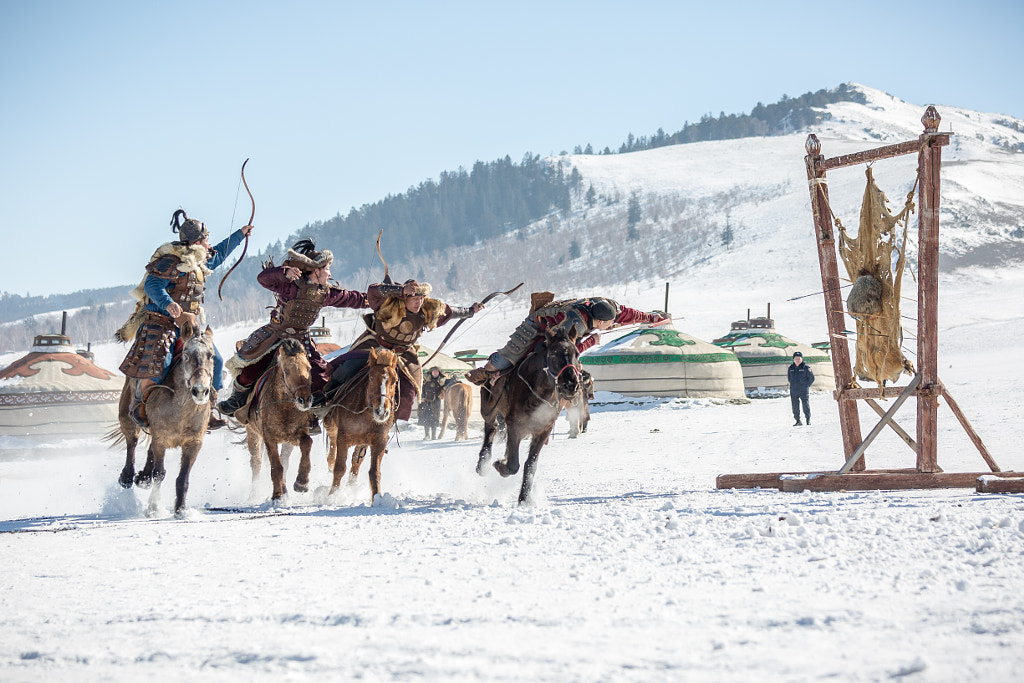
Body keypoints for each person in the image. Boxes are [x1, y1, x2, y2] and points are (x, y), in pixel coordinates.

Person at [116, 209, 252, 428]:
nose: (210, 244)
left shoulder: (200, 260)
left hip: (189, 326)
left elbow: (219, 255)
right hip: (161, 323)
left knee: (214, 360)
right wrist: (169, 303)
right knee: (162, 361)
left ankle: (209, 409)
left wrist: (240, 234)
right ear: (198, 242)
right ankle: (139, 404)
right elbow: (152, 285)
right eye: (207, 240)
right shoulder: (172, 261)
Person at [217, 239, 369, 431]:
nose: (330, 274)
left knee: (321, 378)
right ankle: (236, 402)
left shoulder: (326, 293)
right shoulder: (290, 285)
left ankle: (310, 416)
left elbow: (353, 299)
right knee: (251, 371)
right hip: (275, 336)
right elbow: (263, 279)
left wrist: (378, 298)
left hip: (302, 341)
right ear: (316, 271)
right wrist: (284, 272)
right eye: (328, 269)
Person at [321, 279, 483, 424]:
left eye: (421, 298)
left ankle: (392, 422)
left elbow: (451, 312)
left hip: (402, 354)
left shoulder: (427, 311)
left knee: (410, 388)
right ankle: (325, 399)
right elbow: (373, 291)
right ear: (404, 297)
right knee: (347, 369)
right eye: (414, 298)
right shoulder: (388, 304)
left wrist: (470, 310)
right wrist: (400, 290)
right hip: (375, 346)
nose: (418, 302)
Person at [465, 295, 666, 385]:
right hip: (537, 325)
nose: (614, 323)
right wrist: (591, 342)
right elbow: (564, 348)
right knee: (508, 359)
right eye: (610, 323)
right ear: (598, 320)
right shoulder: (576, 323)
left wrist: (651, 317)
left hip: (558, 331)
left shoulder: (607, 307)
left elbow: (626, 314)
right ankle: (487, 372)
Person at [788, 351, 814, 426]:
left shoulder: (806, 367)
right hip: (794, 390)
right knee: (795, 406)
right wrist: (793, 385)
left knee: (805, 405)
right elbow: (789, 378)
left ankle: (808, 420)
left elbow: (811, 378)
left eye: (799, 359)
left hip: (803, 390)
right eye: (796, 359)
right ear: (793, 359)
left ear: (802, 359)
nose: (797, 360)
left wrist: (806, 386)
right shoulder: (791, 368)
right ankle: (798, 420)